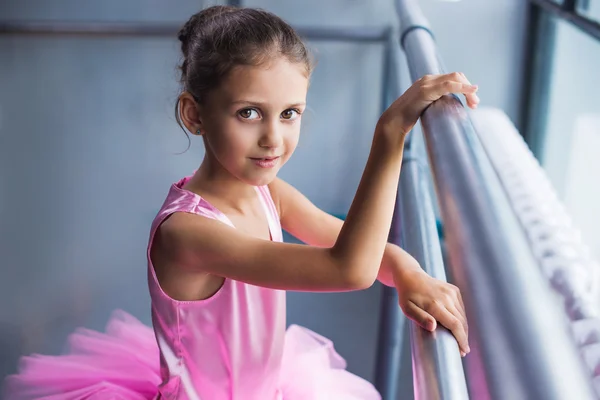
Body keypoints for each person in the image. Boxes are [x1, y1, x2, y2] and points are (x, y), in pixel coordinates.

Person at [4, 5, 479, 400]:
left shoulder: (267, 192)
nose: (273, 137)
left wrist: (411, 274)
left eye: (290, 113)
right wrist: (390, 135)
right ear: (195, 114)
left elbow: (362, 251)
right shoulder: (187, 232)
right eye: (249, 113)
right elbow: (348, 268)